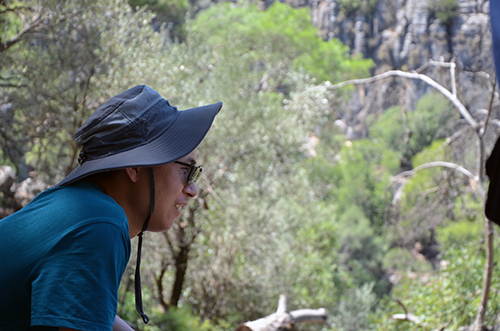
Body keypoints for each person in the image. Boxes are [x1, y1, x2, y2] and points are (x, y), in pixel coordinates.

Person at [0, 85, 223, 330]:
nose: (193, 190)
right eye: (186, 171)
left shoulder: (73, 206)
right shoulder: (100, 225)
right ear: (135, 166)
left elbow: (72, 309)